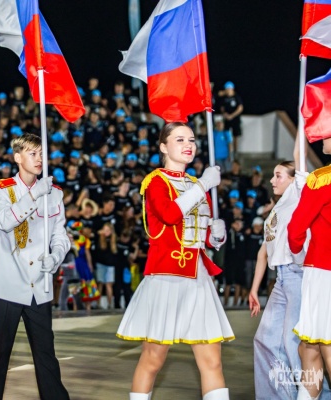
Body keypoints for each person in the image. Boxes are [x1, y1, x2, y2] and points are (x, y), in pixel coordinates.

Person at [117, 122, 233, 400]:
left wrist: (217, 236)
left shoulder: (196, 184)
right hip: (167, 277)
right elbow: (169, 215)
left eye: (191, 139)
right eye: (179, 139)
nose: (188, 145)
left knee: (212, 361)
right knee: (153, 359)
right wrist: (204, 183)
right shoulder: (155, 181)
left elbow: (202, 237)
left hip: (198, 279)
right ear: (163, 146)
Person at [0, 133, 71, 400]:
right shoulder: (2, 188)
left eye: (42, 153)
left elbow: (60, 234)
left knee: (46, 355)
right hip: (7, 283)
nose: (39, 159)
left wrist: (56, 256)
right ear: (18, 157)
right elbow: (4, 222)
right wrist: (34, 196)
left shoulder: (55, 193)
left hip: (39, 284)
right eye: (32, 153)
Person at [248, 147, 321, 399]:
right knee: (264, 340)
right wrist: (254, 289)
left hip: (298, 275)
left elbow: (300, 157)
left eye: (278, 175)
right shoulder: (278, 209)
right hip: (281, 279)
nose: (272, 180)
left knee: (295, 345)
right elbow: (263, 252)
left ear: (293, 180)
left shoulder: (300, 194)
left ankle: (315, 395)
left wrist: (302, 129)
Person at [288, 135, 331, 400]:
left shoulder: (321, 179)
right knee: (309, 347)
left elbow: (295, 229)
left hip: (323, 270)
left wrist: (297, 252)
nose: (322, 136)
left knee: (322, 344)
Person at [219, 81, 243, 155]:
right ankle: (229, 151)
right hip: (227, 119)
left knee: (235, 136)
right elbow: (222, 108)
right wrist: (225, 114)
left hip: (235, 119)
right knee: (227, 135)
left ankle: (235, 152)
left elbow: (240, 108)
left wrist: (232, 115)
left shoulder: (236, 97)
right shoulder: (224, 98)